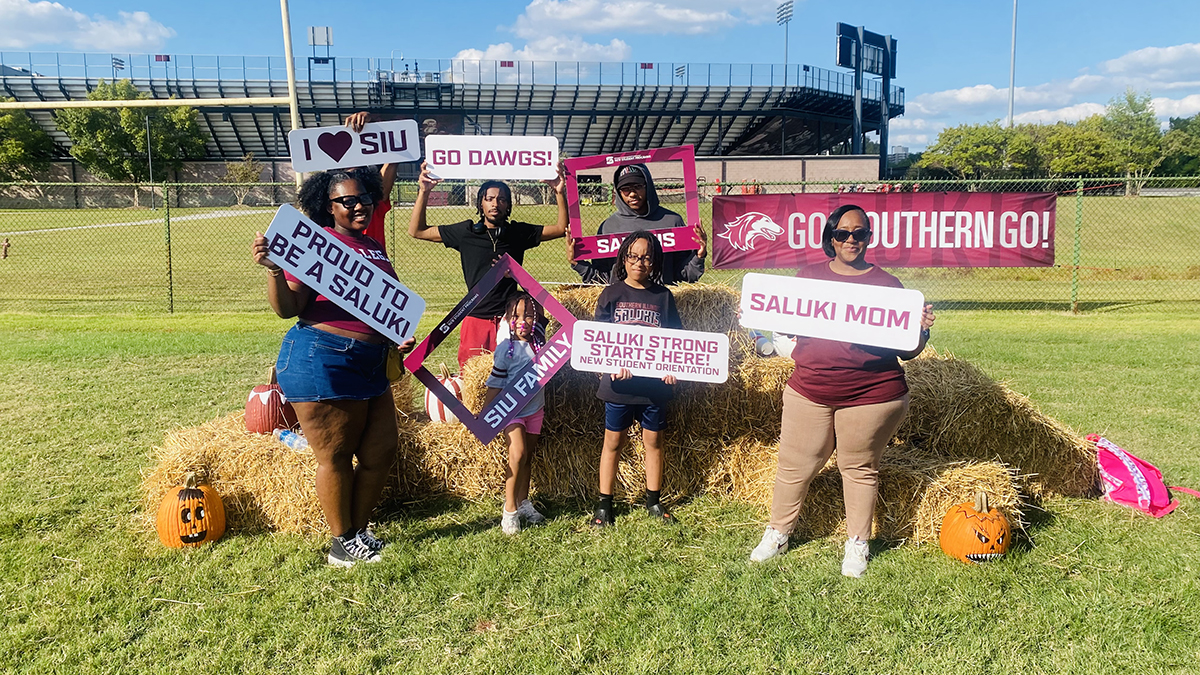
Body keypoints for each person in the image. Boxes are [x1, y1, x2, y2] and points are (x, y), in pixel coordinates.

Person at [749, 204, 935, 577]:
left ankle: (857, 543)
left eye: (860, 233)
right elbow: (782, 326)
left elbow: (908, 351)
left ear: (869, 237)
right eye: (843, 233)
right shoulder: (807, 277)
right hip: (809, 388)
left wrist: (921, 330)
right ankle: (778, 533)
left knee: (859, 468)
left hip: (872, 393)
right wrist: (756, 315)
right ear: (830, 238)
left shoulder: (888, 285)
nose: (851, 240)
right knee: (793, 466)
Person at [250, 169, 415, 568]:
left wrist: (395, 336)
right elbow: (288, 309)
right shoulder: (317, 245)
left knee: (381, 450)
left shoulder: (374, 244)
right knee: (336, 455)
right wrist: (274, 268)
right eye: (347, 201)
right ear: (329, 207)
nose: (359, 205)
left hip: (371, 361)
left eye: (364, 198)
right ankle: (341, 544)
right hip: (323, 355)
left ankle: (357, 533)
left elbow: (379, 307)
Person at [408, 161, 567, 368]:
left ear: (508, 205)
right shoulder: (465, 232)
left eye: (501, 199)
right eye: (489, 199)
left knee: (512, 378)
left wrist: (558, 192)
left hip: (509, 320)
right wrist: (424, 192)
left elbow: (562, 228)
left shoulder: (517, 233)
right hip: (475, 319)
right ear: (480, 204)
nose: (495, 204)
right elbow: (416, 230)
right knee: (473, 381)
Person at [590, 230, 683, 529]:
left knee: (653, 442)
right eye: (633, 256)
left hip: (654, 387)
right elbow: (598, 341)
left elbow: (675, 339)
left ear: (654, 261)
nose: (639, 262)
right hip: (619, 386)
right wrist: (612, 364)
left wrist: (672, 367)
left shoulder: (663, 296)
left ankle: (653, 501)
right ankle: (604, 505)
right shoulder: (611, 294)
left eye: (646, 257)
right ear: (623, 258)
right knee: (612, 443)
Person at [567, 164, 707, 285]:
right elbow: (603, 280)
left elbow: (685, 274)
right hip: (621, 308)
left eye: (638, 186)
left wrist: (698, 256)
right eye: (625, 189)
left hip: (661, 306)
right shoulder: (608, 227)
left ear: (648, 186)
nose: (632, 194)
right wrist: (577, 263)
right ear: (618, 192)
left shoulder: (672, 221)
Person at [481, 292, 550, 534]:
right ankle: (509, 510)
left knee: (527, 457)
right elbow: (495, 384)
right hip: (512, 412)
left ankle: (523, 503)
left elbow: (543, 303)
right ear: (506, 320)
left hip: (535, 410)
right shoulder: (505, 349)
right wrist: (484, 417)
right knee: (517, 453)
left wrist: (522, 280)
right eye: (516, 316)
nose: (523, 321)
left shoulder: (540, 342)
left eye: (529, 315)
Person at [343, 111, 397, 252]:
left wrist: (369, 119)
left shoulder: (372, 205)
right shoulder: (331, 210)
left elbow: (392, 160)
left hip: (374, 271)